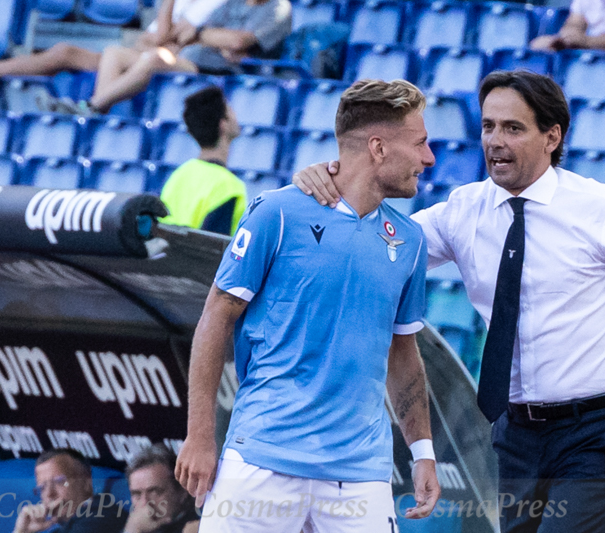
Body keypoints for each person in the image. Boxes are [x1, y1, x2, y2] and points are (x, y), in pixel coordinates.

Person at [293, 69, 605, 533]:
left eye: (513, 128)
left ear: (551, 136)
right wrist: (329, 186)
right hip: (514, 432)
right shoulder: (463, 210)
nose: (494, 141)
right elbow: (381, 246)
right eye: (488, 126)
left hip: (598, 430)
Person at [174, 79, 440, 531]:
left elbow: (403, 351)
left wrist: (423, 452)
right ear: (377, 147)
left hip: (360, 476)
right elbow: (215, 317)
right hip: (261, 459)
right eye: (420, 143)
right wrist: (199, 436)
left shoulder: (410, 241)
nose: (428, 158)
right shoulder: (276, 215)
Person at [43, 0, 291, 115]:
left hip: (221, 71)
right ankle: (97, 109)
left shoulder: (279, 8)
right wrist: (210, 37)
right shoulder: (230, 4)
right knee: (114, 53)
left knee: (152, 58)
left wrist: (202, 34)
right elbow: (183, 34)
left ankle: (92, 107)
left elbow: (238, 42)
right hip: (192, 59)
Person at [0, 0, 226, 81]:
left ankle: (93, 108)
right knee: (63, 51)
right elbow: (149, 39)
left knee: (114, 53)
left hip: (171, 63)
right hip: (139, 56)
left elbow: (166, 39)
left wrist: (163, 36)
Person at [159, 86, 246, 235]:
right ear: (223, 124)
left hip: (168, 257)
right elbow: (214, 248)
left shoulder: (178, 175)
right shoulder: (229, 187)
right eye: (231, 111)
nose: (236, 114)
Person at [13, 449, 128, 533]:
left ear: (86, 483)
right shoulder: (63, 528)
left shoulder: (103, 515)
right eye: (42, 488)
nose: (49, 494)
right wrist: (21, 531)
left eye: (59, 482)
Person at [125, 444, 199, 533]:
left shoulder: (198, 526)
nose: (145, 503)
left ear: (182, 492)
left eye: (155, 492)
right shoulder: (133, 525)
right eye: (137, 494)